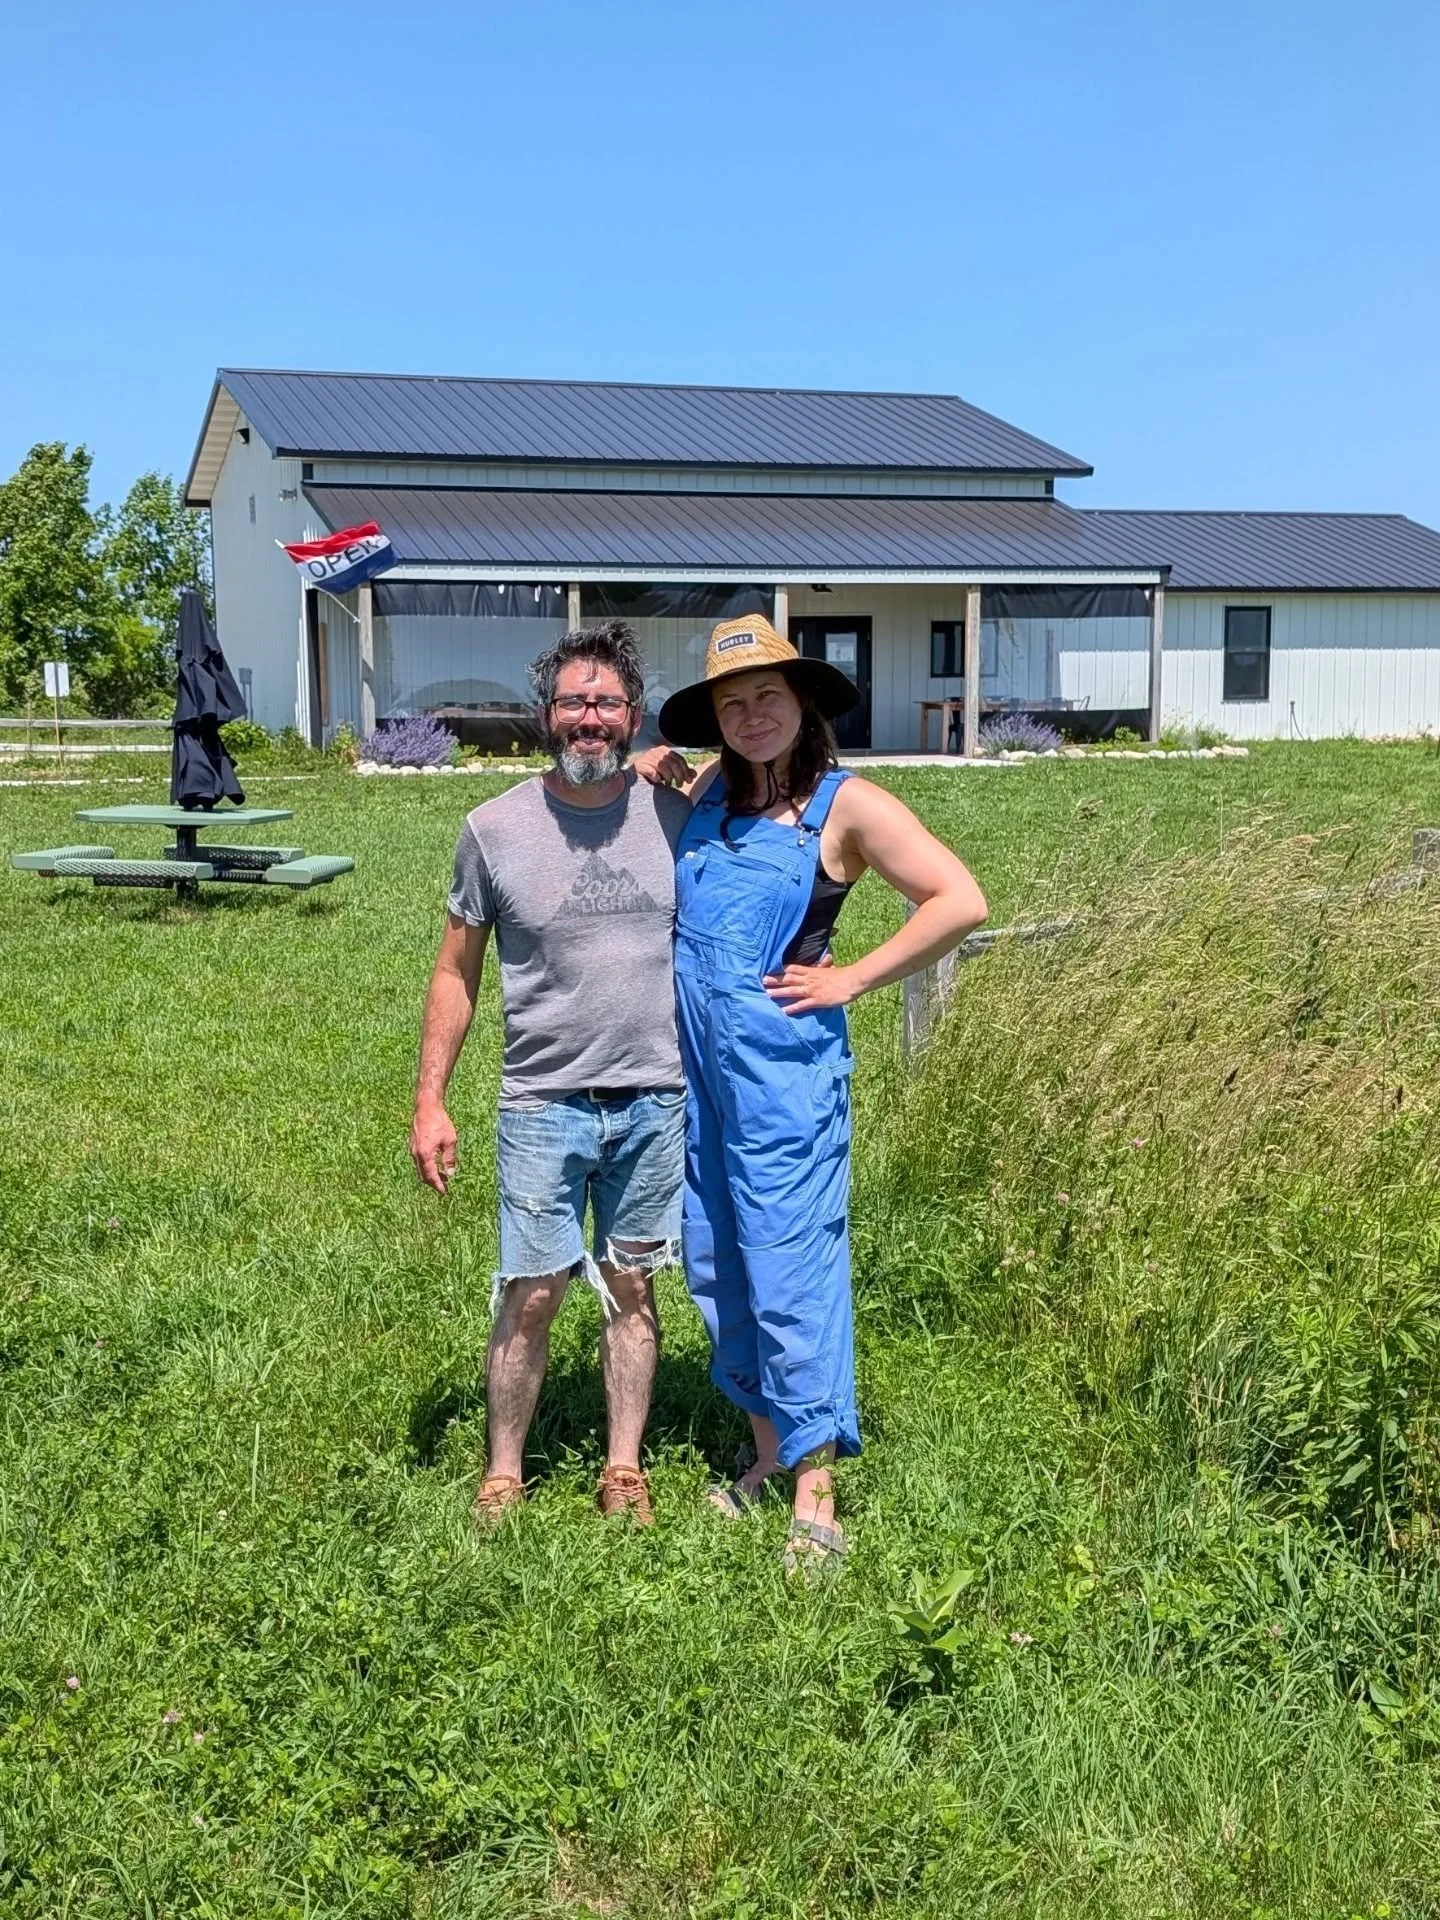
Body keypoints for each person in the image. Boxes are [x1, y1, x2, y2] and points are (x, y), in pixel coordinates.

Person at [654, 614, 988, 1572]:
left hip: (784, 1076)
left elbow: (960, 899)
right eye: (731, 704)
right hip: (703, 1073)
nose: (752, 716)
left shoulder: (847, 807)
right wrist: (654, 766)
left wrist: (851, 978)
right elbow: (652, 763)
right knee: (718, 1255)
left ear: (803, 703)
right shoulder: (714, 792)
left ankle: (815, 1492)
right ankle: (765, 1455)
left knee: (790, 1264)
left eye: (768, 697)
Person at [410, 621, 689, 1528]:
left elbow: (757, 770)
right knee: (530, 1291)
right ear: (545, 716)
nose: (589, 719)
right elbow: (456, 970)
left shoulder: (676, 809)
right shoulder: (492, 829)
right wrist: (430, 1100)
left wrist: (675, 763)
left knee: (634, 1285)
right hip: (542, 1103)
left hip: (656, 1096)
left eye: (607, 703)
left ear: (633, 717)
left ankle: (623, 1469)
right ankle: (502, 1472)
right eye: (573, 702)